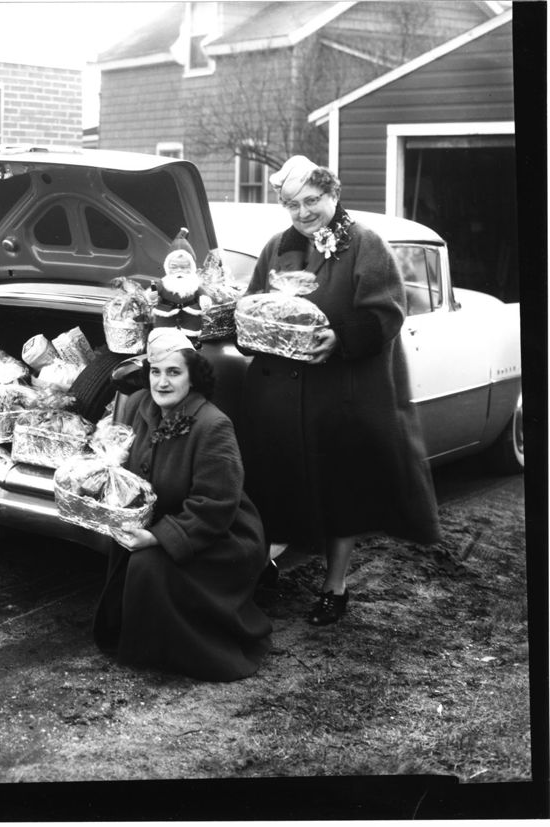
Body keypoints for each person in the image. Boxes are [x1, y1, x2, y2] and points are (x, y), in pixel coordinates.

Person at [238, 155, 440, 626]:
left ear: (333, 195)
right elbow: (253, 304)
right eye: (292, 204)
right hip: (279, 398)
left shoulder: (365, 244)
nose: (304, 212)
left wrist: (341, 337)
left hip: (340, 394)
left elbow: (388, 312)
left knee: (340, 492)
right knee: (276, 483)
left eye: (312, 200)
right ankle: (267, 563)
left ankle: (335, 587)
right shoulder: (276, 248)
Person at [92, 327, 273, 682]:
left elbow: (215, 504)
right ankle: (138, 636)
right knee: (123, 550)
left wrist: (157, 537)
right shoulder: (144, 408)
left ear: (194, 376)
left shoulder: (213, 424)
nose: (162, 382)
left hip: (220, 534)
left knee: (148, 564)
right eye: (155, 372)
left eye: (174, 372)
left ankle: (186, 652)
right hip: (169, 519)